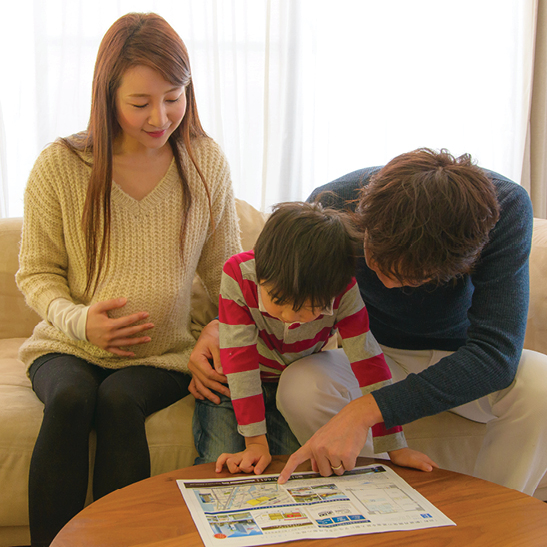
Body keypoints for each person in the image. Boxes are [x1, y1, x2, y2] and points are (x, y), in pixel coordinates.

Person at [188, 148, 547, 495]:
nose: (388, 282)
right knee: (300, 386)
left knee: (542, 385)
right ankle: (375, 498)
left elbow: (497, 355)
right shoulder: (334, 203)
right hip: (379, 351)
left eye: (411, 278)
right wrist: (220, 325)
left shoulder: (507, 210)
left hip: (465, 361)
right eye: (376, 260)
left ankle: (498, 512)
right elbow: (281, 287)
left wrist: (368, 410)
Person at [16, 13, 241, 547]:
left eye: (174, 96)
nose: (160, 116)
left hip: (162, 354)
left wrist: (217, 329)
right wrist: (80, 322)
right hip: (67, 345)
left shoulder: (205, 162)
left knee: (119, 400)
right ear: (107, 95)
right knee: (71, 399)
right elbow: (37, 272)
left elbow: (230, 273)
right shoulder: (60, 166)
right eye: (140, 103)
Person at [194, 202, 436, 476]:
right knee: (217, 460)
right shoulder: (238, 274)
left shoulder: (344, 290)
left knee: (296, 470)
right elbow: (240, 363)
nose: (288, 316)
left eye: (308, 309)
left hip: (287, 388)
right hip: (232, 385)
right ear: (260, 272)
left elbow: (369, 364)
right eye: (278, 301)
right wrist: (255, 441)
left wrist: (396, 447)